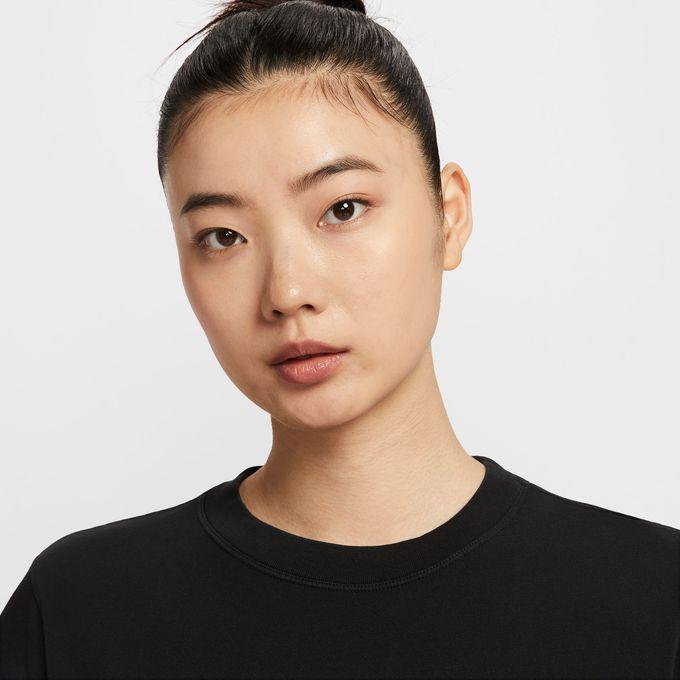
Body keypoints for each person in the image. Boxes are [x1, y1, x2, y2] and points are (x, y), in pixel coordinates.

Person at [1, 0, 678, 677]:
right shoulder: (77, 611)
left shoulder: (654, 602)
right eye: (224, 237)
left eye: (342, 209)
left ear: (449, 216)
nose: (287, 290)